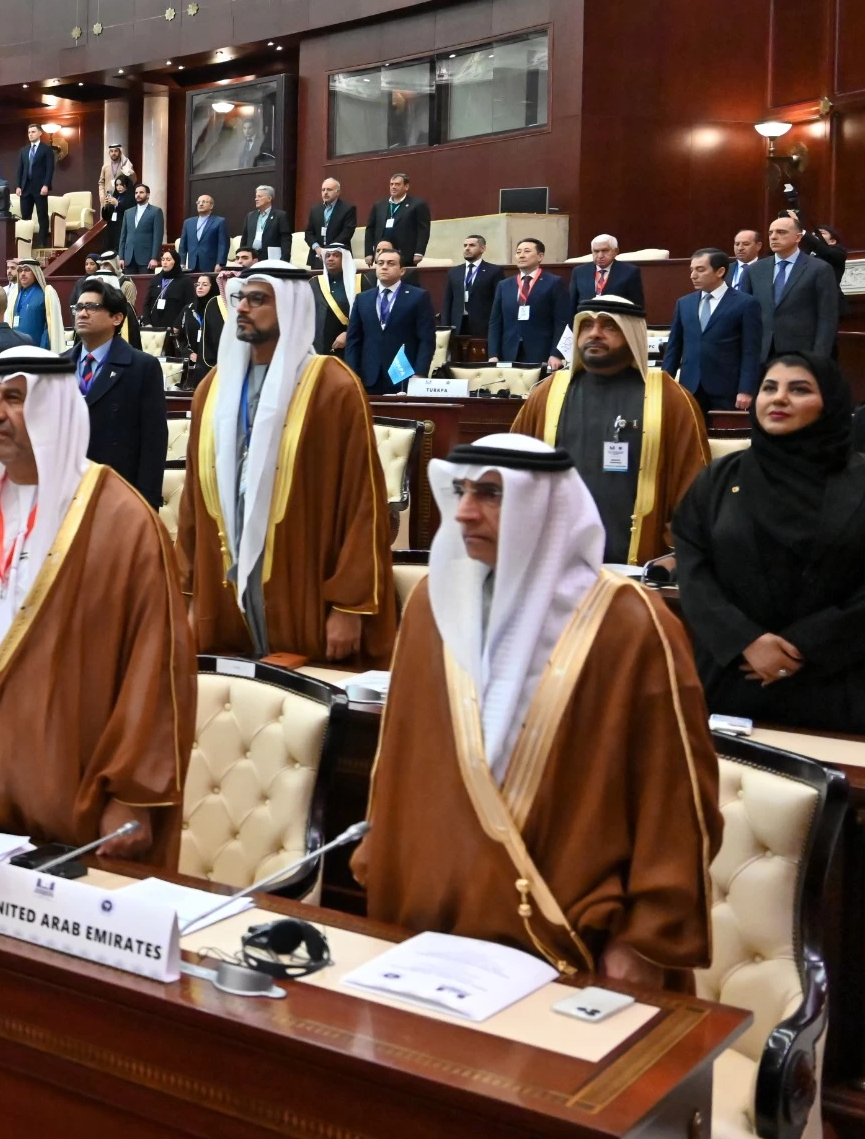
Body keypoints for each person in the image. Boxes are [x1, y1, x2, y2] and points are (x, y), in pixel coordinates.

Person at [353, 435, 719, 984]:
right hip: (431, 931)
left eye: (492, 495)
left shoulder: (630, 623)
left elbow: (676, 801)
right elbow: (401, 760)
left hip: (575, 944)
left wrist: (644, 944)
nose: (465, 512)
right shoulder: (433, 604)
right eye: (461, 491)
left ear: (545, 506)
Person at [0, 346, 191, 860]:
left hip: (73, 792)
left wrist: (132, 794)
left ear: (53, 408)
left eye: (14, 398)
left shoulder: (121, 519)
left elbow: (155, 665)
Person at [179, 262, 395, 665]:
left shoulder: (333, 386)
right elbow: (192, 500)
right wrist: (189, 593)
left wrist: (349, 606)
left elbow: (362, 502)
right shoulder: (212, 389)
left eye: (258, 300)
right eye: (241, 297)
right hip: (225, 577)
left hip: (301, 578)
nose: (242, 308)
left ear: (293, 308)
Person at [673, 353, 865, 731]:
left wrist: (805, 645)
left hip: (836, 680)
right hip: (733, 677)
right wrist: (746, 640)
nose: (779, 398)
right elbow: (694, 568)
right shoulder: (718, 478)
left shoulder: (859, 480)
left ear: (830, 402)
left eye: (799, 389)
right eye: (769, 388)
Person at [510, 297, 706, 565]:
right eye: (587, 325)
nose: (594, 334)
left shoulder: (670, 398)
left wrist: (678, 554)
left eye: (609, 326)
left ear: (632, 333)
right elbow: (513, 472)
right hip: (555, 561)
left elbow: (695, 488)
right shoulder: (547, 393)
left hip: (641, 564)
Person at [66, 277, 165, 507]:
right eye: (79, 307)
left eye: (91, 307)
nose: (82, 313)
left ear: (117, 318)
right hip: (66, 494)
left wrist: (146, 503)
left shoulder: (142, 366)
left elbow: (153, 441)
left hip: (118, 493)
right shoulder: (59, 367)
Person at [662, 247, 762, 416]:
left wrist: (746, 389)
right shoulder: (684, 303)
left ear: (720, 271)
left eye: (700, 270)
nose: (693, 275)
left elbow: (751, 351)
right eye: (692, 270)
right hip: (689, 387)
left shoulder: (746, 303)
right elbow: (674, 348)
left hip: (727, 389)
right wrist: (664, 385)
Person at [345, 248, 435, 396]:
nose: (384, 266)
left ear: (402, 271)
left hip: (403, 375)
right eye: (380, 263)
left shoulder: (418, 297)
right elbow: (353, 339)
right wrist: (352, 373)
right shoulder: (362, 299)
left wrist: (420, 373)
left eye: (391, 263)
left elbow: (426, 340)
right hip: (368, 377)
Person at [754, 212, 840, 363]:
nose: (773, 237)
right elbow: (748, 314)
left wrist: (819, 358)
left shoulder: (819, 269)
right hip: (761, 353)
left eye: (781, 232)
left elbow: (827, 318)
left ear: (798, 237)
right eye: (770, 233)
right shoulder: (755, 270)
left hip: (802, 353)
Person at [487, 236, 568, 365]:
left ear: (540, 256)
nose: (521, 256)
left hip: (542, 352)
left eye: (527, 251)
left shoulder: (554, 282)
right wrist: (493, 354)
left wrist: (556, 353)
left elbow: (562, 322)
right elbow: (495, 322)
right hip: (508, 352)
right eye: (518, 252)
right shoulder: (504, 285)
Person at [441, 233, 503, 337]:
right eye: (465, 245)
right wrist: (445, 327)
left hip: (482, 325)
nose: (467, 248)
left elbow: (498, 300)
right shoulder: (454, 272)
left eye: (472, 245)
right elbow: (448, 300)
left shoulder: (494, 271)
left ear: (482, 249)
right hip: (457, 324)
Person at [366, 171, 431, 264]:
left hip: (406, 254)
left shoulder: (417, 204)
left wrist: (419, 252)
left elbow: (423, 230)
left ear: (406, 186)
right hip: (382, 254)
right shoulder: (379, 205)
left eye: (397, 184)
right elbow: (370, 229)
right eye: (391, 184)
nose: (393, 187)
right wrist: (368, 253)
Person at [14, 124, 55, 250]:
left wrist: (46, 185)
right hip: (26, 187)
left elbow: (50, 169)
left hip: (40, 187)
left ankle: (43, 243)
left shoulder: (46, 149)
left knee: (42, 216)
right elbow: (20, 169)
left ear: (40, 133)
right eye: (29, 132)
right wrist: (18, 185)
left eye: (33, 132)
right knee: (25, 217)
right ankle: (26, 244)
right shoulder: (24, 150)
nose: (30, 134)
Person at [8, 261, 63, 350]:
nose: (23, 274)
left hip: (36, 350)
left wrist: (42, 351)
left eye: (27, 270)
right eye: (20, 271)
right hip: (15, 349)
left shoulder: (46, 293)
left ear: (35, 273)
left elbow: (49, 328)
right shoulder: (14, 294)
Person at [311, 246, 354, 357]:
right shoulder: (314, 283)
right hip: (321, 347)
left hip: (350, 345)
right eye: (328, 256)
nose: (330, 259)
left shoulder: (360, 282)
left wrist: (349, 334)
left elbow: (368, 316)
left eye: (336, 255)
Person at [114, 183, 164, 272]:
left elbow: (158, 237)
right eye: (136, 193)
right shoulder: (128, 212)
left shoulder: (156, 211)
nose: (138, 195)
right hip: (128, 258)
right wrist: (121, 257)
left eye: (141, 192)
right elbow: (123, 236)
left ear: (148, 195)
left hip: (147, 259)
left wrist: (154, 258)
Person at [302, 177, 356, 257]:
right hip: (318, 255)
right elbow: (309, 233)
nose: (325, 193)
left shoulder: (348, 209)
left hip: (339, 254)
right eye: (323, 190)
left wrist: (329, 249)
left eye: (329, 190)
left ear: (337, 192)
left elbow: (347, 233)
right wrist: (317, 248)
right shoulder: (315, 210)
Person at [176, 193, 227, 275]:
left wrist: (220, 263)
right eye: (198, 202)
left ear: (211, 206)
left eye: (204, 202)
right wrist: (182, 262)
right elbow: (183, 245)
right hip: (192, 264)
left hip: (210, 264)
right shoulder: (188, 222)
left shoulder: (219, 221)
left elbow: (223, 244)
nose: (201, 204)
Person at [240, 185, 289, 262]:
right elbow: (244, 238)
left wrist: (284, 259)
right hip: (251, 258)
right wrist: (242, 256)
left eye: (259, 196)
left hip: (271, 257)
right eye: (256, 196)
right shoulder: (250, 216)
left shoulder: (280, 215)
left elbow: (285, 240)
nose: (256, 199)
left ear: (269, 198)